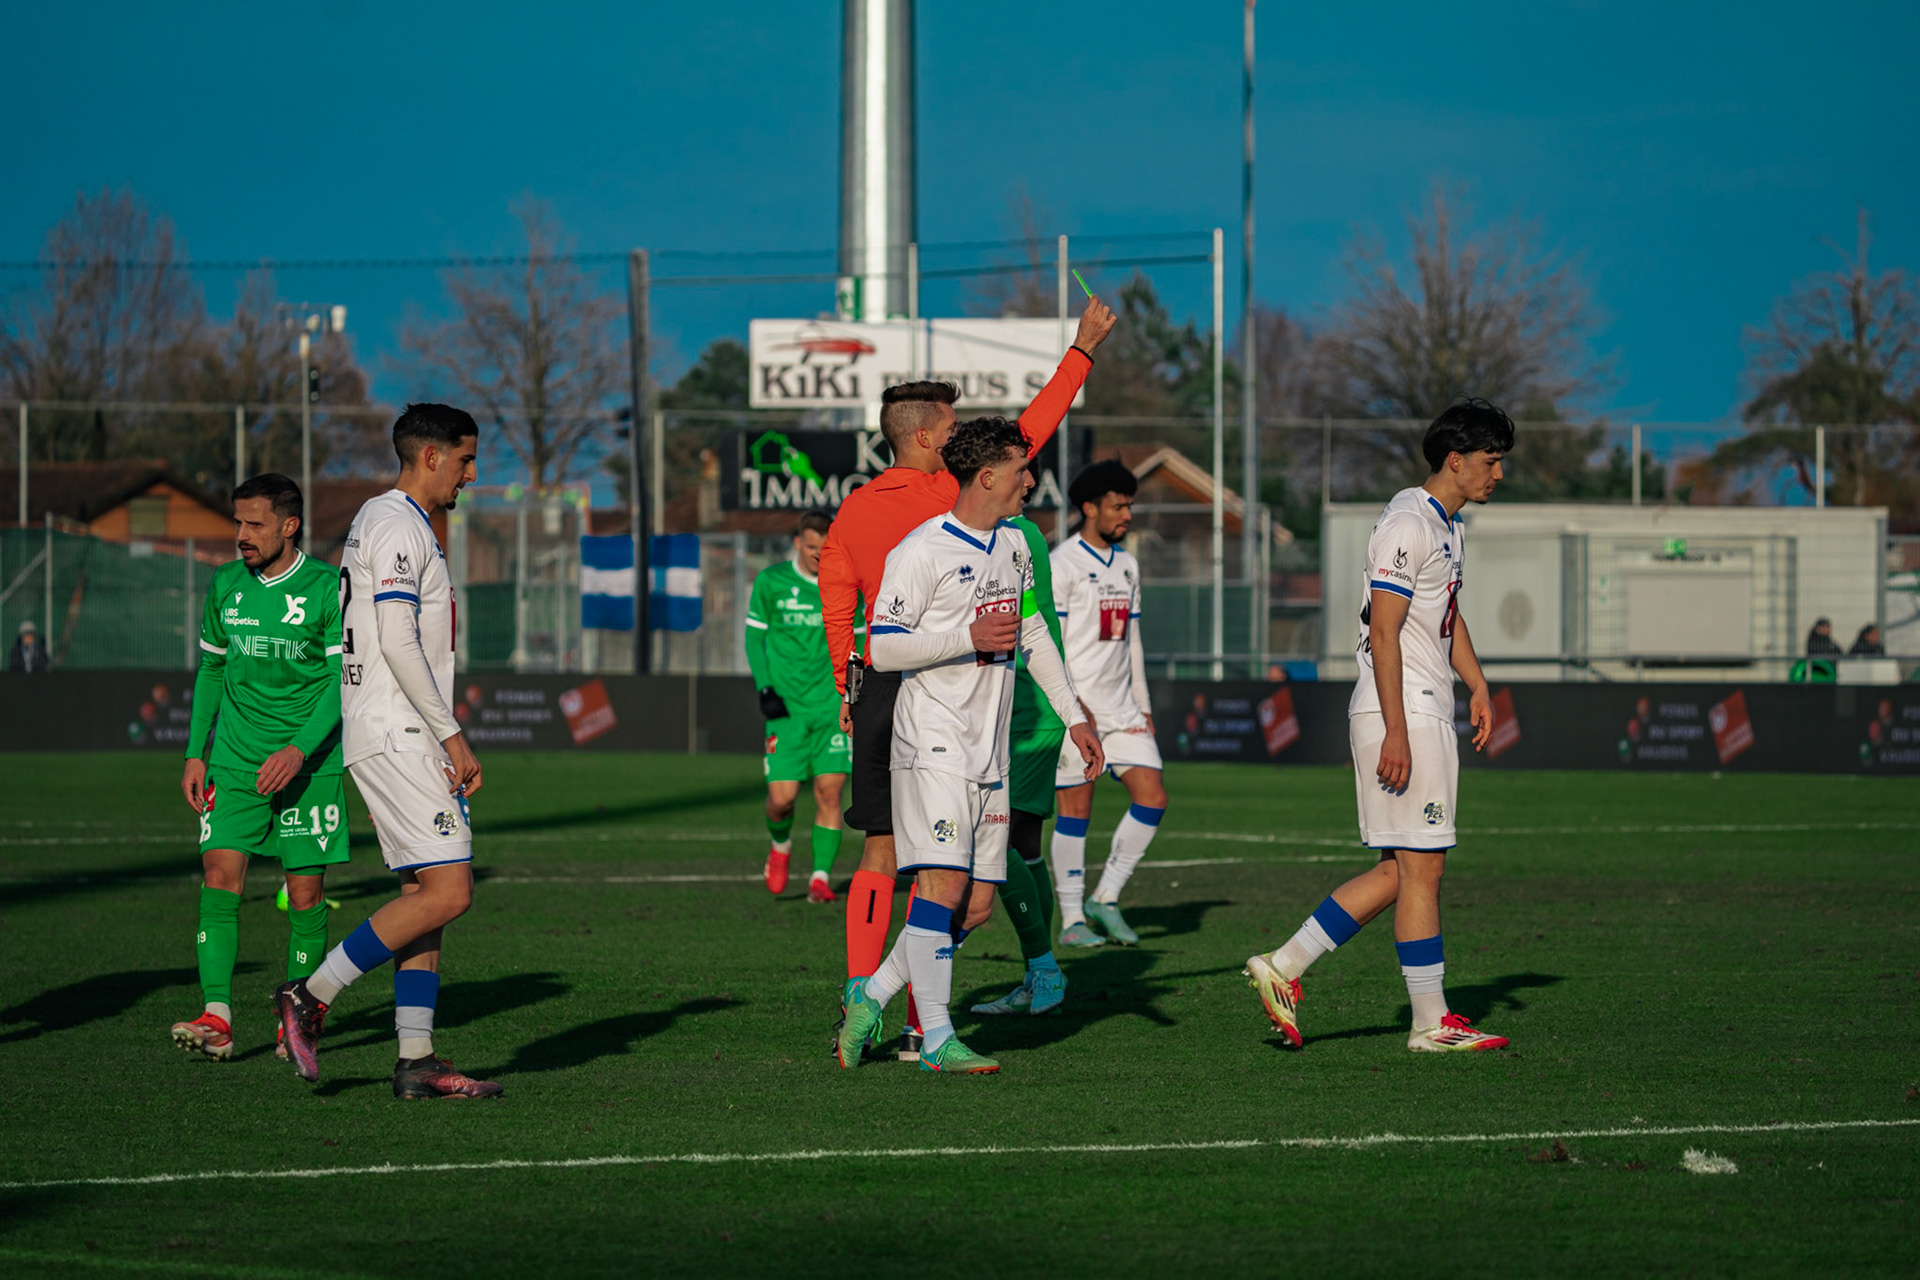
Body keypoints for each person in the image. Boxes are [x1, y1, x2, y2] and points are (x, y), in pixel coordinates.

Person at [818, 291, 1115, 1059]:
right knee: (938, 881)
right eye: (952, 429)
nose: (1026, 470)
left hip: (918, 700)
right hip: (926, 705)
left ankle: (872, 991)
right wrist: (1081, 350)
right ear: (935, 446)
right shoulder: (937, 518)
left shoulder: (860, 513)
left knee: (948, 888)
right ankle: (934, 1030)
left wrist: (845, 690)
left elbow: (838, 606)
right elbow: (1032, 429)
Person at [1245, 398, 1515, 1054]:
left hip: (1422, 706)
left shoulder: (1447, 527)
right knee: (1422, 871)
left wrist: (1478, 684)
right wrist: (1396, 729)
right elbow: (1386, 632)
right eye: (1490, 461)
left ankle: (1284, 966)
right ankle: (1429, 1023)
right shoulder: (1408, 524)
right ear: (1455, 461)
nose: (1497, 474)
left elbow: (1442, 619)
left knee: (1402, 871)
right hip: (1404, 712)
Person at [275, 403, 502, 1099]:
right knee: (451, 890)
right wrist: (450, 732)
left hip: (392, 731)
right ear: (430, 456)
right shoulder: (399, 522)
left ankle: (416, 1059)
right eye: (464, 460)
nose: (470, 473)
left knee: (424, 895)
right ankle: (310, 996)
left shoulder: (392, 522)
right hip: (399, 730)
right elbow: (398, 641)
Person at [170, 473, 345, 1062]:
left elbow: (340, 685)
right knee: (219, 876)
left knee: (303, 893)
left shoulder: (325, 587)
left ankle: (297, 1017)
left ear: (289, 526)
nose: (241, 535)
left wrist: (298, 750)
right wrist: (197, 750)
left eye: (255, 524)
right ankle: (217, 1015)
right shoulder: (225, 584)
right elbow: (212, 671)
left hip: (309, 764)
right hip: (236, 759)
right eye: (238, 522)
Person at [1049, 460, 1166, 948]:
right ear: (1088, 508)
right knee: (1075, 811)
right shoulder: (1061, 563)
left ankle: (1106, 897)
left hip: (1123, 711)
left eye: (1129, 505)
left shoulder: (1127, 563)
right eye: (1118, 506)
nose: (1127, 515)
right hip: (1079, 714)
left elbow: (1131, 640)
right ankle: (1073, 918)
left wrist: (1143, 703)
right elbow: (1048, 642)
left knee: (1153, 796)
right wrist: (1073, 706)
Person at [968, 507, 1072, 1017]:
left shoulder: (1014, 533)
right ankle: (1041, 974)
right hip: (1018, 708)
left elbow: (1022, 620)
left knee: (999, 838)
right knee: (1024, 844)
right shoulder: (1007, 530)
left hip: (1028, 711)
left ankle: (1044, 968)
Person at [746, 509, 848, 904]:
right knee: (782, 799)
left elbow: (855, 645)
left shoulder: (842, 585)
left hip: (830, 711)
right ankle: (781, 845)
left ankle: (820, 878)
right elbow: (754, 639)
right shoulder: (771, 582)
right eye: (810, 547)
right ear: (797, 543)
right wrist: (764, 688)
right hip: (786, 713)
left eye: (824, 547)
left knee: (830, 794)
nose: (818, 554)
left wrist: (850, 697)